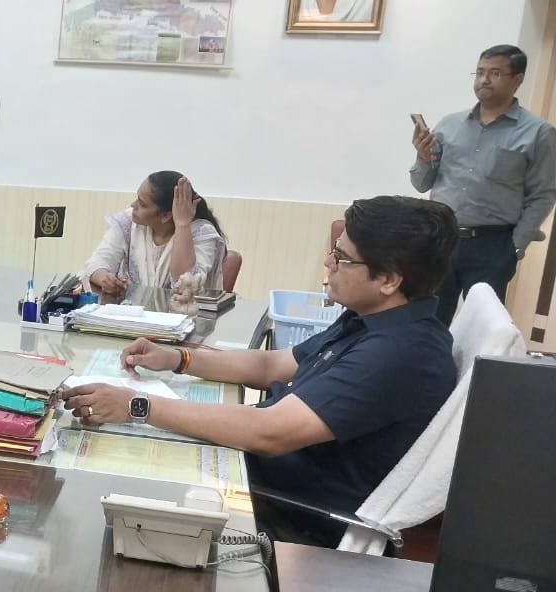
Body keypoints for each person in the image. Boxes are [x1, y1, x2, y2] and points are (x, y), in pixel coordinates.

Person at [62, 196, 458, 547]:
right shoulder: (370, 318)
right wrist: (177, 358)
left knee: (111, 488)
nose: (328, 263)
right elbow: (271, 364)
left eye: (342, 258)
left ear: (388, 279)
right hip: (259, 473)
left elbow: (268, 432)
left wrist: (137, 406)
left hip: (286, 516)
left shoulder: (400, 353)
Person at [411, 44, 556, 324]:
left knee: (482, 327)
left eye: (495, 73)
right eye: (479, 72)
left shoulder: (538, 132)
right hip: (441, 239)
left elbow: (543, 194)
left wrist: (515, 247)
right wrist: (422, 158)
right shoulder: (449, 124)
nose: (484, 80)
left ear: (518, 80)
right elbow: (422, 183)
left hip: (493, 244)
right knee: (428, 321)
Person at [81, 170, 228, 295]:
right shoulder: (129, 222)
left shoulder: (202, 233)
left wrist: (182, 225)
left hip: (185, 318)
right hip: (134, 315)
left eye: (142, 204)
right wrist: (104, 278)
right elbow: (96, 262)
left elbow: (185, 285)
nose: (133, 205)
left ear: (166, 216)